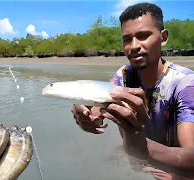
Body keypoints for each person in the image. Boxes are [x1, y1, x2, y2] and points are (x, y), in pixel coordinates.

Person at [71, 2, 194, 180]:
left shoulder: (185, 84)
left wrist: (142, 149)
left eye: (143, 36)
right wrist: (86, 114)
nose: (134, 46)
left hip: (177, 171)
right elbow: (97, 108)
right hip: (144, 162)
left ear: (163, 37)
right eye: (127, 39)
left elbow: (191, 156)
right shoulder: (124, 76)